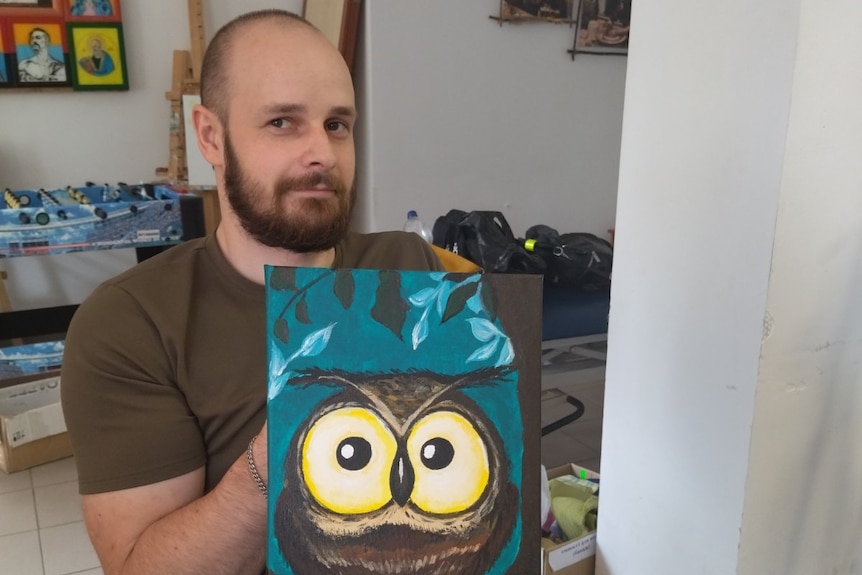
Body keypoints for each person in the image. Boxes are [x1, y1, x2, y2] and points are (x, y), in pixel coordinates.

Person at [60, 10, 472, 575]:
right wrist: (284, 446)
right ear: (211, 136)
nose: (323, 153)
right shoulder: (131, 325)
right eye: (283, 122)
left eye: (337, 125)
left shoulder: (408, 266)